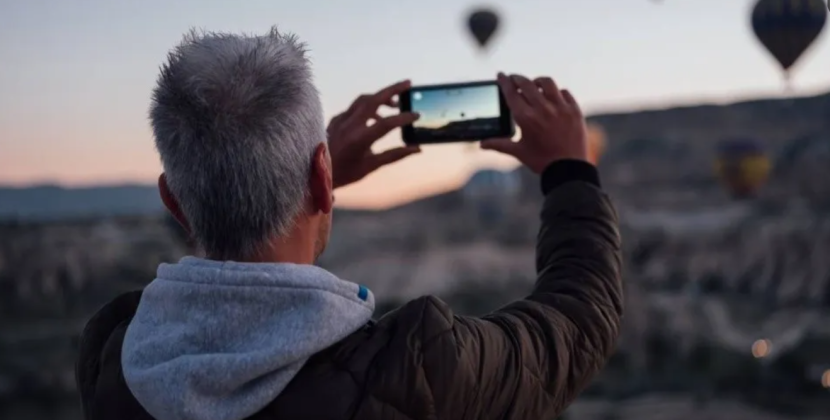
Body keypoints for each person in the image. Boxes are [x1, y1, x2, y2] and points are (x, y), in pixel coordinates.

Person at [75, 28, 623, 420]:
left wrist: (307, 182)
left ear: (173, 202)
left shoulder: (114, 360)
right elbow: (576, 326)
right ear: (322, 175)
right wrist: (570, 174)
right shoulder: (419, 369)